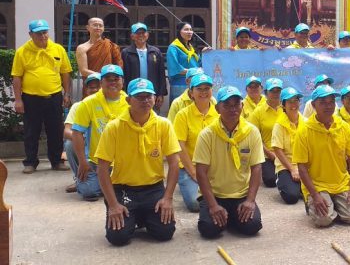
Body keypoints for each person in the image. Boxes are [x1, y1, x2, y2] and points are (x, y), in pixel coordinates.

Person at [95, 78, 181, 246]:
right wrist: (113, 205)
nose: (145, 101)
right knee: (118, 238)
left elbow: (174, 162)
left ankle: (140, 217)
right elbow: (102, 168)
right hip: (124, 189)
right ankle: (135, 216)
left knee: (165, 232)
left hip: (153, 187)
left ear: (155, 98)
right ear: (128, 100)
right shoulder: (113, 127)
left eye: (149, 96)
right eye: (139, 97)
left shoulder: (164, 125)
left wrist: (168, 197)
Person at [194, 86, 264, 238]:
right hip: (215, 195)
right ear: (217, 108)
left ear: (242, 106)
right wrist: (213, 206)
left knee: (252, 226)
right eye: (226, 105)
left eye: (236, 104)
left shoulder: (252, 132)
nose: (233, 109)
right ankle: (225, 216)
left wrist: (250, 201)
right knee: (209, 229)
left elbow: (257, 167)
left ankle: (231, 217)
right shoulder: (207, 134)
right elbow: (200, 172)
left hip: (241, 195)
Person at [293, 85, 350, 227]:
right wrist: (315, 195)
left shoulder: (343, 127)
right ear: (313, 105)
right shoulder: (304, 131)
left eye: (331, 102)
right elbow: (302, 168)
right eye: (323, 102)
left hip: (341, 184)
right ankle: (314, 203)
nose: (328, 106)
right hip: (318, 186)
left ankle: (334, 205)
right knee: (323, 220)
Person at [12, 19, 72, 174]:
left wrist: (67, 94)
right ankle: (30, 162)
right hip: (31, 98)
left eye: (45, 32)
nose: (43, 36)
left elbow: (65, 73)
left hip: (54, 97)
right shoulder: (22, 51)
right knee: (31, 131)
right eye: (38, 33)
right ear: (30, 34)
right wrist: (18, 100)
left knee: (56, 131)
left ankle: (57, 161)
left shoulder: (58, 49)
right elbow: (17, 77)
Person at [71, 64, 129, 201]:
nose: (112, 82)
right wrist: (83, 162)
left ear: (122, 81)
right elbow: (77, 132)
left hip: (124, 162)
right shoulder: (88, 103)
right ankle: (98, 184)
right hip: (97, 161)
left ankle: (106, 185)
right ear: (101, 82)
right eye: (108, 79)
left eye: (116, 79)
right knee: (88, 190)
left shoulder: (130, 101)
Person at [173, 74, 219, 212]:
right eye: (199, 89)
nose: (203, 92)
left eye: (207, 88)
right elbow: (180, 146)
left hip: (215, 167)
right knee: (196, 203)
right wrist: (193, 173)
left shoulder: (219, 112)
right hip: (190, 167)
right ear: (191, 92)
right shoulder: (183, 115)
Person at [64, 72, 101, 194]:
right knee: (70, 144)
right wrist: (80, 137)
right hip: (85, 145)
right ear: (86, 89)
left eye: (98, 86)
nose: (94, 90)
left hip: (104, 145)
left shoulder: (111, 105)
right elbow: (67, 131)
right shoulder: (78, 106)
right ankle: (81, 177)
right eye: (91, 87)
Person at [121, 22, 167, 110]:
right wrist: (125, 92)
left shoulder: (155, 52)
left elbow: (161, 74)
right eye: (138, 33)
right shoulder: (126, 52)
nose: (141, 35)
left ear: (147, 35)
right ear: (132, 36)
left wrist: (161, 94)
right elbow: (124, 75)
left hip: (151, 92)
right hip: (134, 92)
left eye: (143, 33)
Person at [247, 77, 283, 188]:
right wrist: (270, 154)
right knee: (270, 180)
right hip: (268, 154)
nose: (276, 94)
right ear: (266, 93)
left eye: (278, 91)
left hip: (287, 153)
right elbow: (255, 137)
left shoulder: (287, 108)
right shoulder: (258, 112)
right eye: (272, 91)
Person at [271, 87, 304, 204]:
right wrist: (293, 169)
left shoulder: (305, 122)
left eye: (296, 100)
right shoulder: (279, 125)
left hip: (303, 165)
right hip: (285, 166)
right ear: (283, 105)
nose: (293, 104)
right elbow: (277, 150)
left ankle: (300, 186)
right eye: (290, 102)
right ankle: (282, 181)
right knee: (291, 197)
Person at [167, 22, 201, 104]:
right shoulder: (173, 48)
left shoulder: (192, 48)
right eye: (186, 29)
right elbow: (174, 68)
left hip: (195, 84)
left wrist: (206, 53)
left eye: (191, 30)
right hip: (180, 83)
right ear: (179, 32)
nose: (189, 32)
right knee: (180, 107)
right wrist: (194, 71)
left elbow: (199, 64)